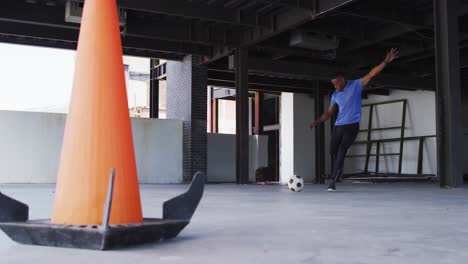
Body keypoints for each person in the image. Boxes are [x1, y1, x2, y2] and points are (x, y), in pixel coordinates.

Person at [310, 48, 399, 192]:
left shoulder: (355, 85)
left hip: (351, 126)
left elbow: (371, 74)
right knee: (333, 150)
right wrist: (317, 121)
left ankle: (333, 180)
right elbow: (328, 113)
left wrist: (385, 62)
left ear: (343, 80)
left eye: (337, 83)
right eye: (333, 84)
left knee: (342, 150)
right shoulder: (335, 94)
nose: (335, 86)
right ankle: (336, 173)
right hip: (338, 126)